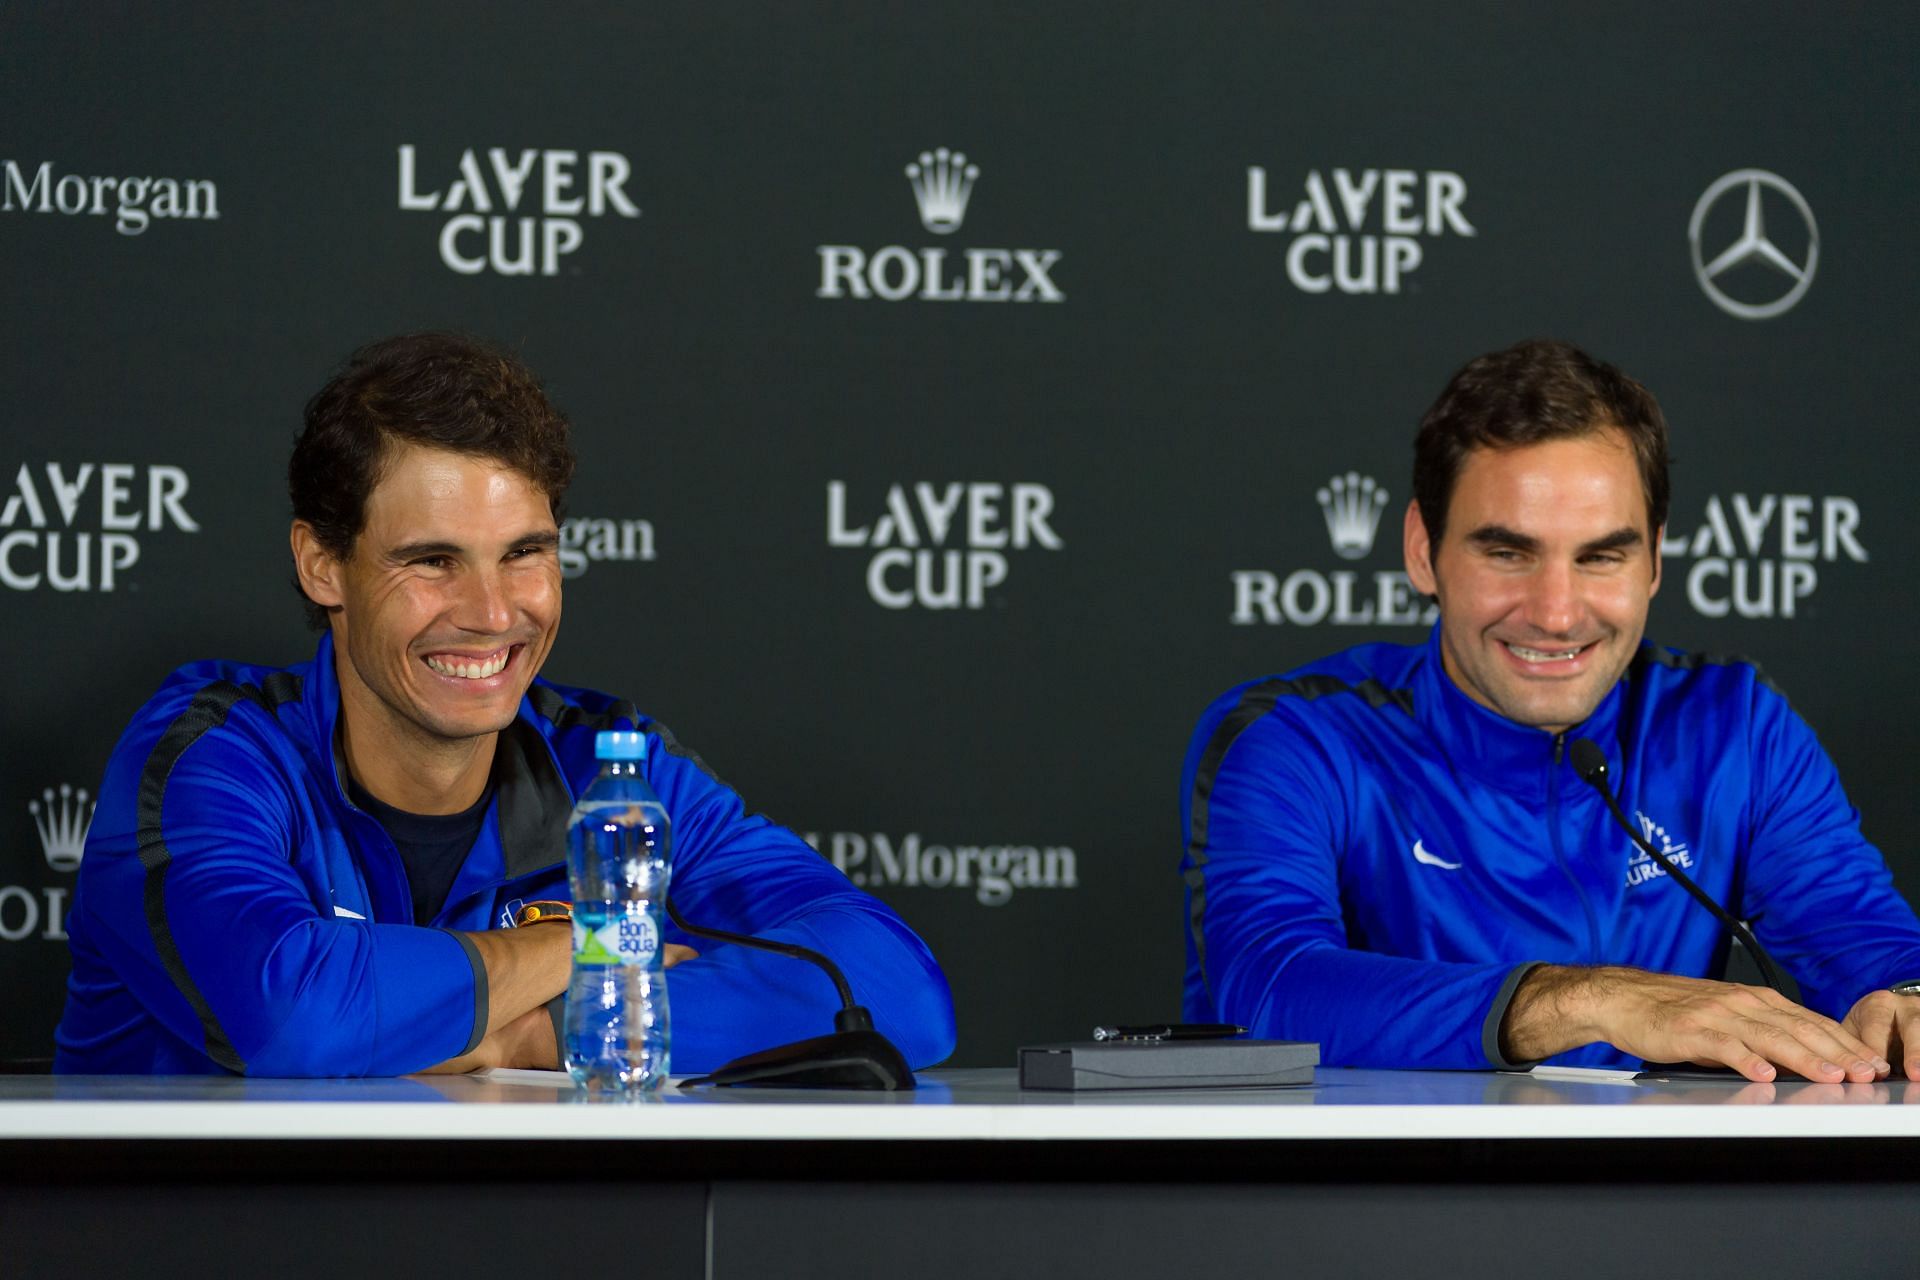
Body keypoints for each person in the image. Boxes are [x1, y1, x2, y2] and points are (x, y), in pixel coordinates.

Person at [56, 332, 955, 1077]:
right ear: (323, 564)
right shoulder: (220, 752)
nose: (492, 614)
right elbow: (296, 1018)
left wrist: (529, 1035)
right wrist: (581, 951)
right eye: (432, 561)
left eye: (524, 553)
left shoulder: (607, 764)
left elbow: (897, 998)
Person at [1181, 339, 1920, 1083]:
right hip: (1379, 1196)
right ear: (1420, 550)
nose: (1557, 614)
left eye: (1602, 556)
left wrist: (1909, 1000)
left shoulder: (1733, 729)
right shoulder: (1298, 739)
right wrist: (1587, 1000)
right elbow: (1268, 991)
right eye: (1507, 554)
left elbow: (1872, 947)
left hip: (1679, 1196)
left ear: (1655, 561)